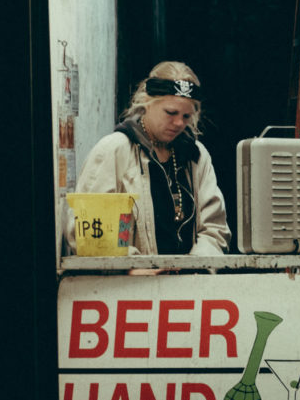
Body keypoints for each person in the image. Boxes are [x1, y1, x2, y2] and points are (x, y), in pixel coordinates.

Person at [68, 61, 230, 257]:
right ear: (147, 102)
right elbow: (87, 232)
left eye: (186, 116)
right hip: (131, 284)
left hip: (189, 282)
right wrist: (131, 265)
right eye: (171, 113)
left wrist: (197, 266)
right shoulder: (114, 150)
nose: (179, 123)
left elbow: (215, 229)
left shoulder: (196, 156)